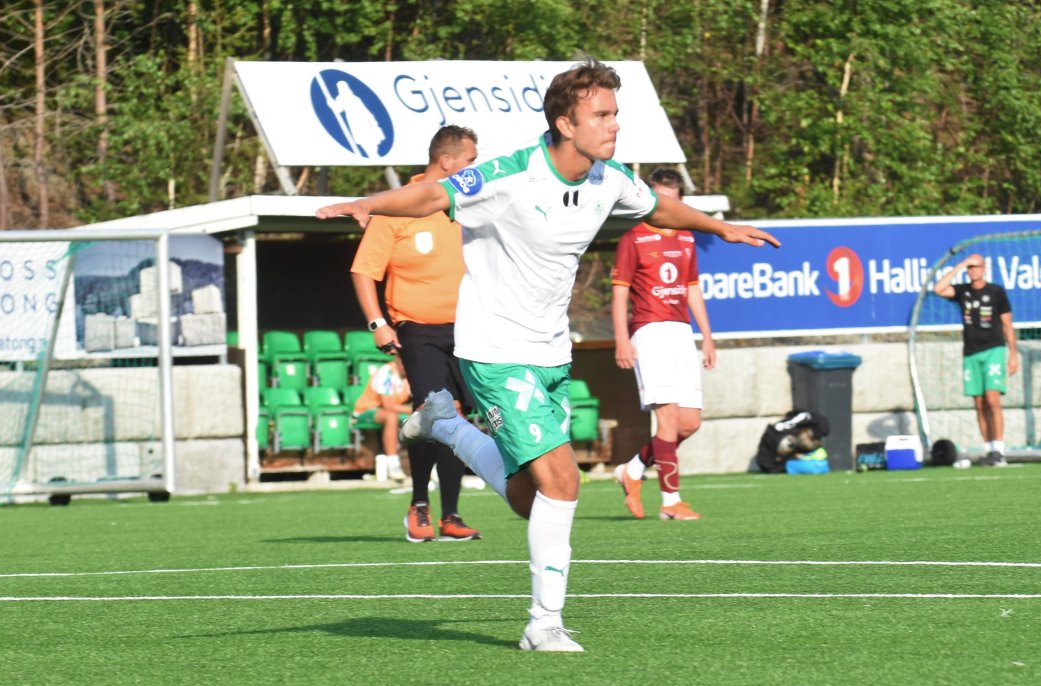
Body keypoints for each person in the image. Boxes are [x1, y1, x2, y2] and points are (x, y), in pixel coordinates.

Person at [317, 58, 779, 652]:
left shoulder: (609, 179)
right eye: (601, 115)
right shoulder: (511, 174)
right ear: (565, 123)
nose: (614, 124)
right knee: (563, 481)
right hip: (495, 351)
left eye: (615, 113)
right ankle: (543, 624)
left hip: (551, 353)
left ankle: (446, 426)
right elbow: (432, 193)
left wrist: (718, 227)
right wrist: (370, 202)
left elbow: (656, 208)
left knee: (530, 497)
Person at [349, 124, 482, 542]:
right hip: (417, 328)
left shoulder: (469, 205)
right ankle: (420, 504)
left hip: (470, 329)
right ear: (447, 162)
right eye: (471, 161)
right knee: (436, 412)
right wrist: (378, 324)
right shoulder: (397, 208)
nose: (476, 168)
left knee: (459, 418)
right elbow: (363, 271)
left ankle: (452, 515)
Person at [610, 168, 714, 521]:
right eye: (659, 198)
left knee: (689, 423)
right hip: (649, 332)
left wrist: (707, 336)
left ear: (681, 202)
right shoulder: (633, 238)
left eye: (672, 199)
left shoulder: (686, 238)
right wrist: (622, 339)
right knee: (667, 421)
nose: (665, 206)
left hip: (681, 332)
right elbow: (620, 293)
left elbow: (693, 288)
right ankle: (671, 502)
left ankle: (633, 470)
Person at [932, 252, 1018, 466]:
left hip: (994, 350)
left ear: (984, 269)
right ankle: (988, 449)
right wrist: (959, 265)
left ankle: (999, 449)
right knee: (979, 403)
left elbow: (1007, 324)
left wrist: (1013, 355)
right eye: (970, 267)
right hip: (971, 352)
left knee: (992, 398)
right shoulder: (963, 291)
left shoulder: (996, 291)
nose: (973, 271)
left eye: (976, 266)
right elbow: (939, 288)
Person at [352, 354, 413, 484]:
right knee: (391, 417)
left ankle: (432, 466)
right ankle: (393, 464)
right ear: (397, 359)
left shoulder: (412, 374)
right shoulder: (386, 373)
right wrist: (414, 409)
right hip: (366, 411)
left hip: (392, 410)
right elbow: (388, 405)